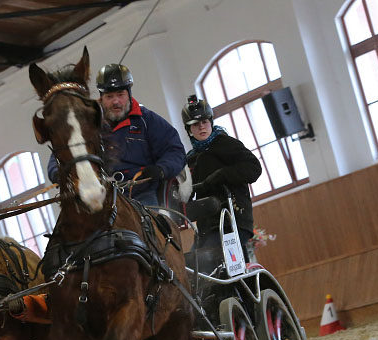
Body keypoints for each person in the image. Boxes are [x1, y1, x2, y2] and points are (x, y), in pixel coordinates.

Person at [47, 63, 186, 207]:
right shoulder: (86, 124)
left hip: (142, 194)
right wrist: (59, 174)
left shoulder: (147, 120)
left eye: (120, 95)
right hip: (101, 196)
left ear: (129, 95)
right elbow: (57, 157)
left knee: (153, 224)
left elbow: (174, 151)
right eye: (109, 96)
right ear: (101, 97)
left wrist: (161, 169)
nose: (116, 101)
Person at [181, 94, 261, 262]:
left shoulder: (226, 144)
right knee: (190, 263)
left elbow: (254, 168)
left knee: (207, 259)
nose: (201, 127)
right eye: (195, 125)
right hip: (207, 225)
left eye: (204, 122)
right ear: (189, 130)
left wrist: (221, 176)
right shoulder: (190, 159)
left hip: (233, 219)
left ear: (211, 122)